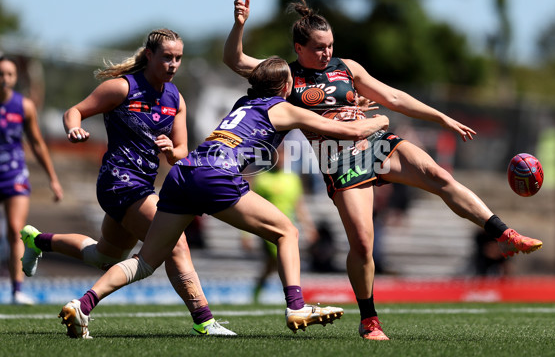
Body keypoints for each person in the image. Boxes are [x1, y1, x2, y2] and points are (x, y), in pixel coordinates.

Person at [223, 0, 544, 341]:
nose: (327, 53)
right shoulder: (286, 76)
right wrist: (240, 24)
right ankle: (369, 321)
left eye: (330, 45)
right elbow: (234, 59)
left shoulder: (347, 68)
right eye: (318, 48)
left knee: (439, 176)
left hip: (375, 144)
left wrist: (440, 116)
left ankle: (504, 234)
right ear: (299, 48)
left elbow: (392, 97)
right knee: (362, 243)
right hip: (338, 160)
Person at [58, 56, 389, 339]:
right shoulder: (284, 108)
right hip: (216, 175)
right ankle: (296, 307)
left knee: (146, 261)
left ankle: (83, 304)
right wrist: (381, 118)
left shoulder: (243, 103)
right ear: (285, 87)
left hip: (183, 173)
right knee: (287, 231)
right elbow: (351, 132)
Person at [20, 29, 235, 336]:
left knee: (104, 256)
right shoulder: (123, 88)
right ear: (149, 56)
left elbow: (182, 151)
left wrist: (171, 151)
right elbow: (74, 111)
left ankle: (37, 241)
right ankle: (204, 320)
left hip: (143, 186)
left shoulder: (175, 97)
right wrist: (74, 129)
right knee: (176, 243)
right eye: (167, 57)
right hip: (118, 181)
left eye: (178, 58)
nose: (173, 64)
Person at [0, 56, 64, 305]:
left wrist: (53, 179)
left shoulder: (24, 106)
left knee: (15, 230)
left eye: (9, 75)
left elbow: (37, 143)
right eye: (0, 74)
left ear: (16, 79)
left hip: (14, 174)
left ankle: (17, 290)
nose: (4, 79)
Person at [244, 144, 318, 303]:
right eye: (279, 154)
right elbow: (247, 206)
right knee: (282, 259)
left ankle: (259, 290)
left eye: (285, 155)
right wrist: (246, 234)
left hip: (287, 228)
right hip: (266, 228)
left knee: (273, 263)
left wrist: (309, 227)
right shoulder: (262, 178)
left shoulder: (292, 179)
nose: (282, 158)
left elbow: (299, 206)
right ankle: (294, 298)